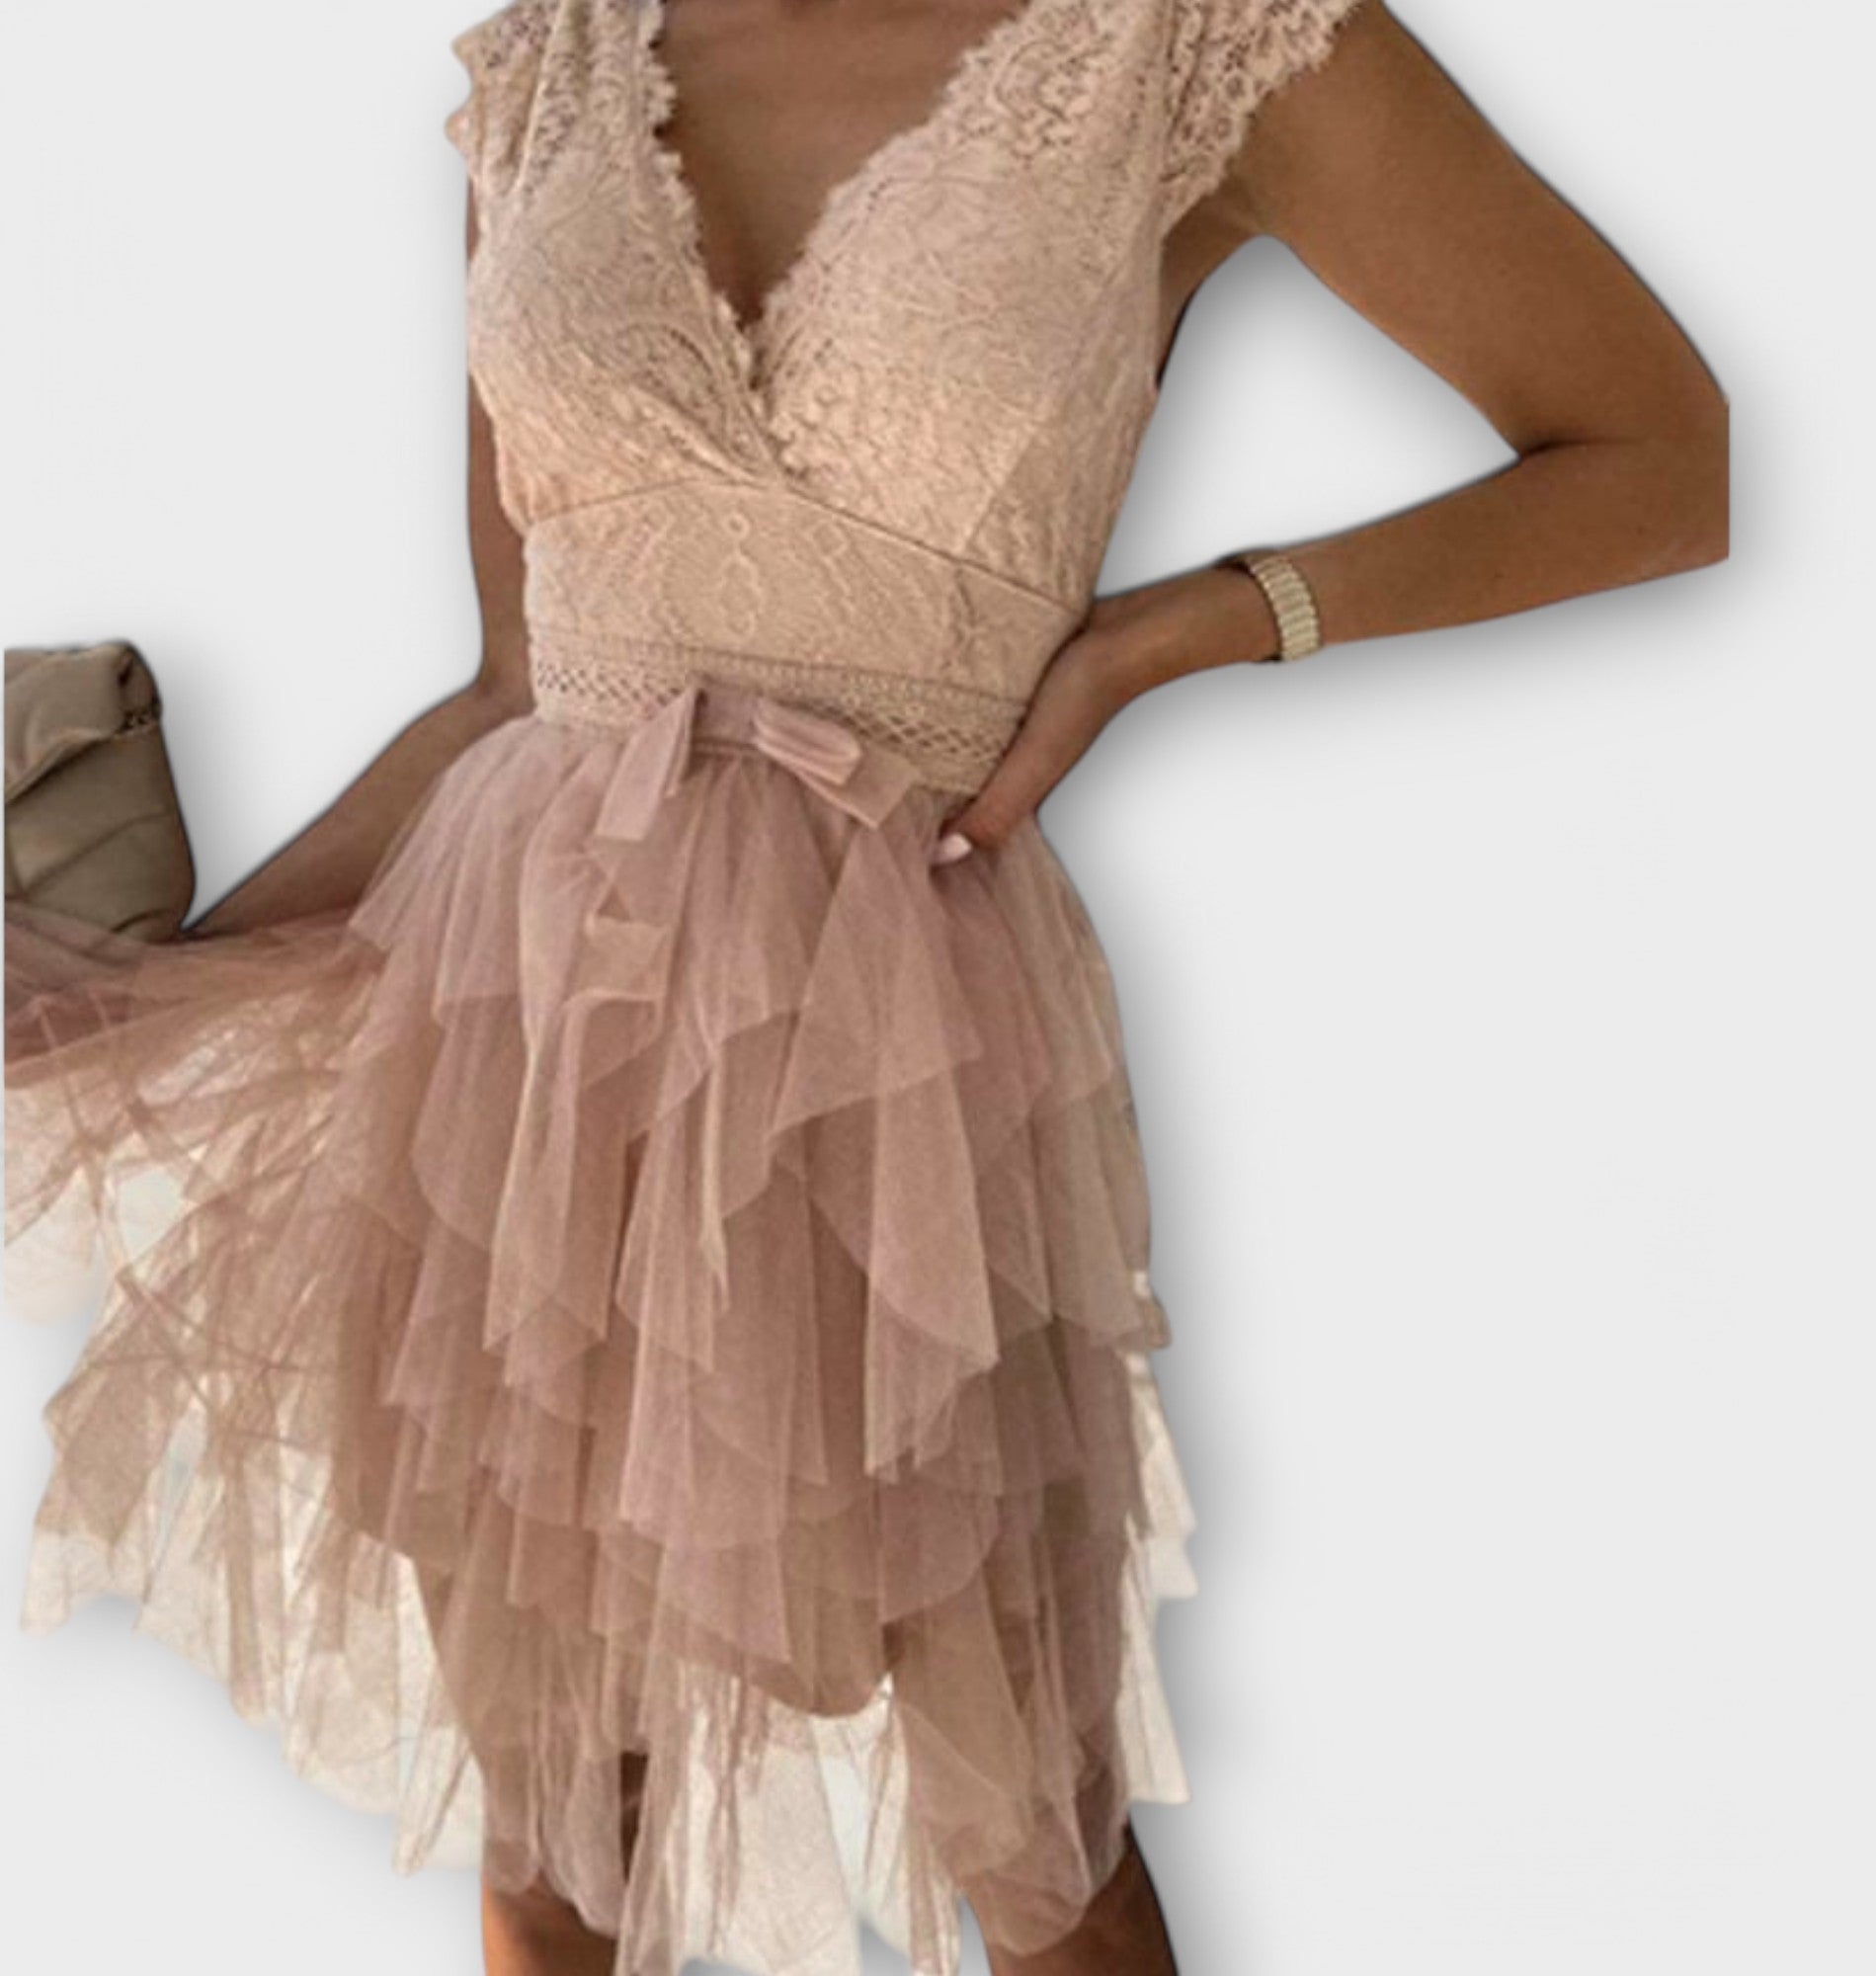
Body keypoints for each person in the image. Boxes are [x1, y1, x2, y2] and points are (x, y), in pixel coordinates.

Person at [1, 1, 1729, 1972]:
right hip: (525, 1038)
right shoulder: (557, 63)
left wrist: (1172, 632)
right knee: (562, 1837)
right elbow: (522, 687)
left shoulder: (1198, 38)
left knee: (1032, 1840)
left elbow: (1662, 461)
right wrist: (136, 1002)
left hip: (888, 1047)